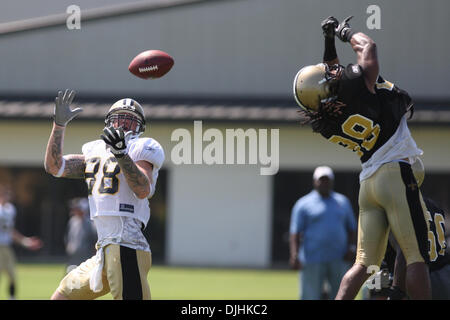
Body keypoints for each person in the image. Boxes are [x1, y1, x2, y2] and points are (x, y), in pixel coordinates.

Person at [292, 16, 432, 299]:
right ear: (327, 85)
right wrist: (344, 32)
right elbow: (368, 47)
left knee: (362, 265)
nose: (332, 72)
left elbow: (331, 76)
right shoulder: (354, 84)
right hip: (395, 170)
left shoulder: (324, 122)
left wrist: (328, 41)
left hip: (369, 182)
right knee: (416, 255)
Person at [44, 89, 165, 300]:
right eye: (119, 120)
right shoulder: (94, 150)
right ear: (109, 122)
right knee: (61, 297)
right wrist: (59, 126)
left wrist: (121, 154)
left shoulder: (143, 147)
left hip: (127, 244)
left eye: (130, 122)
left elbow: (143, 189)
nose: (123, 126)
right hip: (103, 249)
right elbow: (55, 166)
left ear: (140, 127)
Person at [289, 166, 357, 300]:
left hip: (339, 258)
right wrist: (294, 255)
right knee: (310, 296)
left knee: (341, 294)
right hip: (312, 258)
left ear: (332, 182)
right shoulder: (303, 204)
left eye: (327, 180)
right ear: (315, 181)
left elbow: (352, 228)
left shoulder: (342, 202)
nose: (324, 183)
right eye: (321, 180)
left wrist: (352, 248)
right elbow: (295, 232)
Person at [0, 185, 43, 299]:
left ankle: (12, 297)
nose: (6, 197)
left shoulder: (10, 210)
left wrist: (25, 241)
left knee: (12, 274)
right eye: (4, 194)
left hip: (6, 247)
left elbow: (10, 230)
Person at [64, 197, 97, 274]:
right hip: (73, 256)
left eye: (77, 209)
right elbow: (68, 237)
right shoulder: (72, 221)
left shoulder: (91, 223)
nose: (74, 211)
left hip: (86, 257)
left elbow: (95, 240)